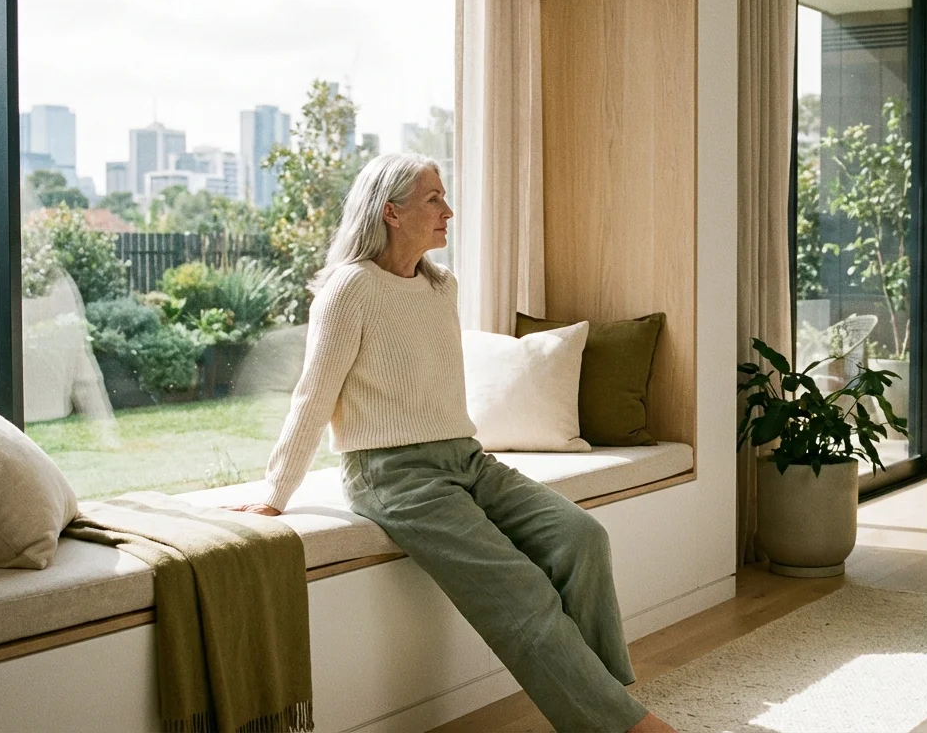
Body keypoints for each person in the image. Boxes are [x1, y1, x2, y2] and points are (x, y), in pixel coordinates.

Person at [228, 153, 674, 733]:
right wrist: (275, 491)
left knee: (581, 536)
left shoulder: (441, 287)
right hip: (394, 476)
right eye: (434, 199)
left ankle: (603, 703)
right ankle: (622, 725)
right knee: (520, 593)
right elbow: (313, 396)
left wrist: (468, 447)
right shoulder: (348, 289)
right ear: (391, 211)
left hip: (466, 458)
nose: (449, 210)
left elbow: (439, 386)